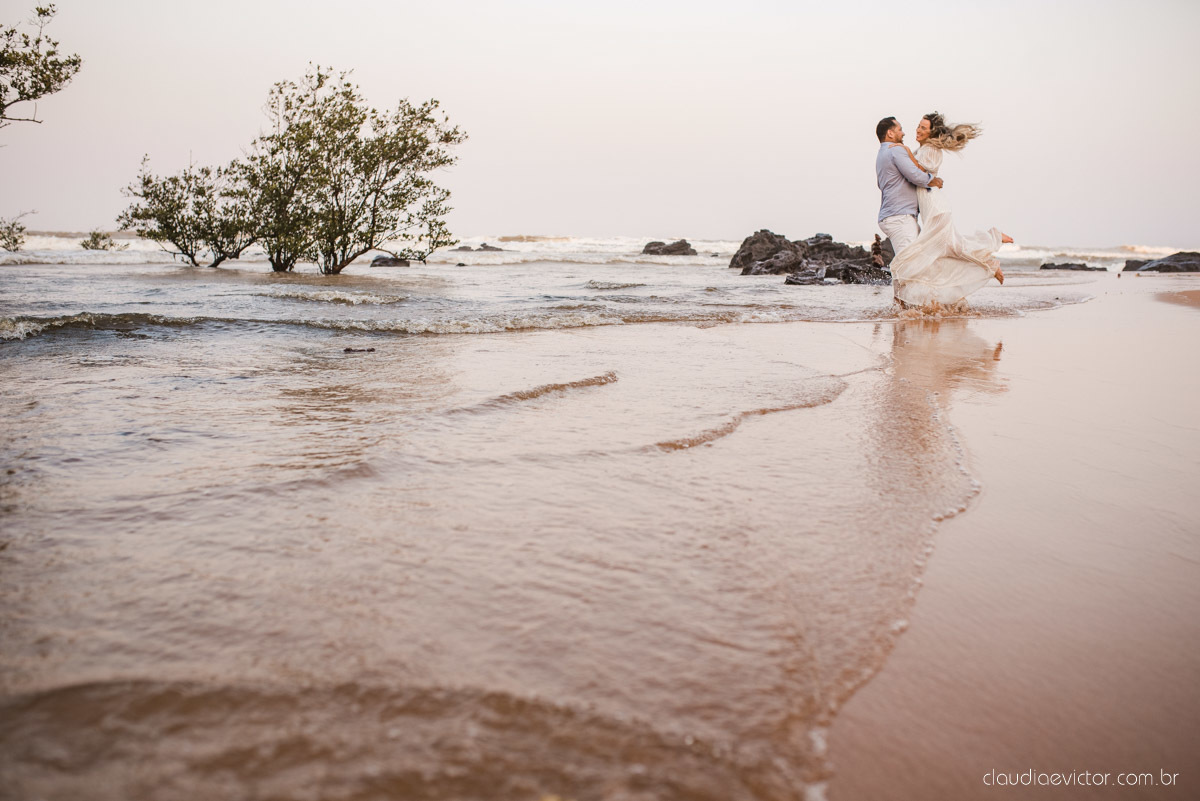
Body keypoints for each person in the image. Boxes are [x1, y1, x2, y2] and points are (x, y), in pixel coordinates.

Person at [887, 112, 1013, 308]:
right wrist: (906, 152)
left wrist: (903, 151)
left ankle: (993, 245)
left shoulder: (930, 149)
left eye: (923, 128)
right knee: (950, 249)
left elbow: (920, 172)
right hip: (932, 209)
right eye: (918, 126)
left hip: (936, 207)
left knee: (949, 248)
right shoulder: (921, 149)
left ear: (931, 133)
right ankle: (989, 254)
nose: (918, 130)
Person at [875, 116, 942, 297]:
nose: (903, 133)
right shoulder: (895, 151)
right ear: (890, 133)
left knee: (906, 263)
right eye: (899, 129)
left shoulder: (882, 154)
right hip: (900, 217)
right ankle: (909, 307)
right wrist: (932, 180)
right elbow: (915, 175)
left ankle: (901, 305)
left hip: (894, 216)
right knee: (910, 266)